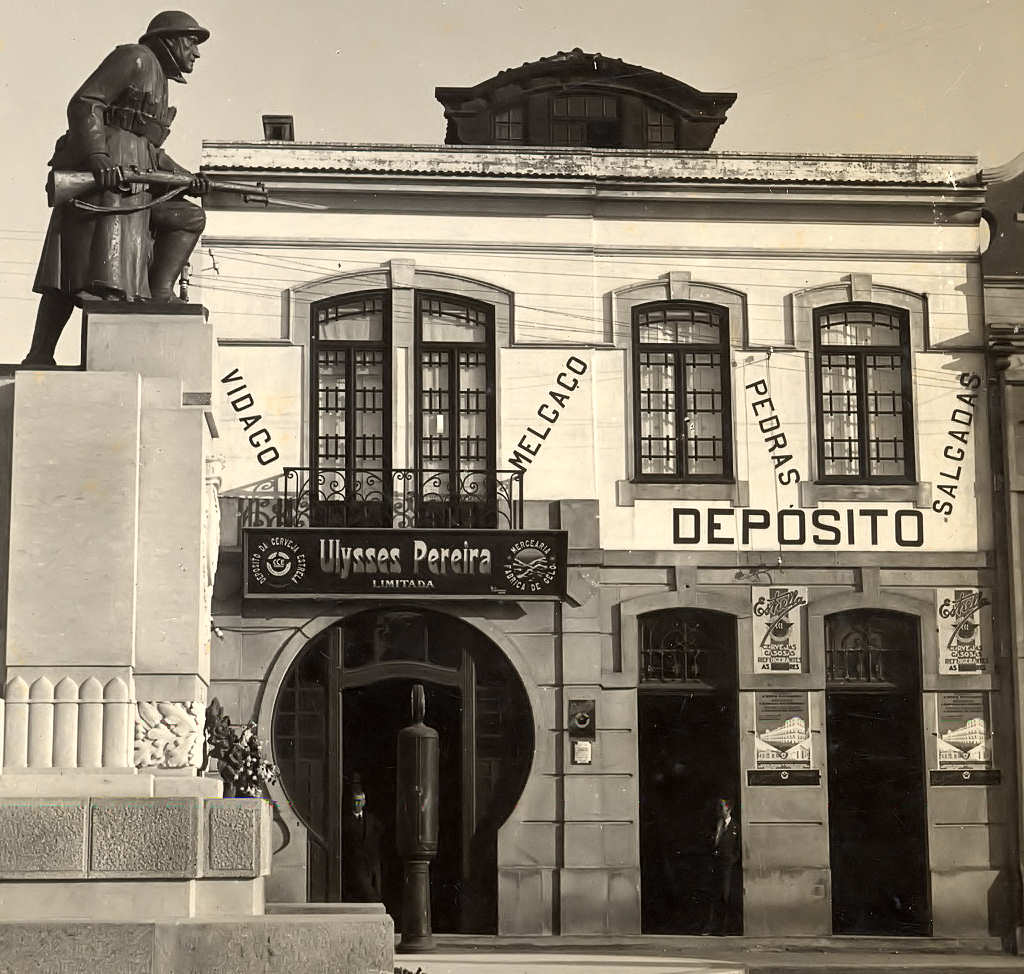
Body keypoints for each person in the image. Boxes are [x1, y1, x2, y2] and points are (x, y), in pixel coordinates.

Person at [23, 11, 212, 366]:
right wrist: (97, 155)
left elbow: (151, 149)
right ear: (170, 39)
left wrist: (187, 178)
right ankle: (40, 353)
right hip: (107, 177)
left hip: (135, 180)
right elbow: (85, 103)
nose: (196, 52)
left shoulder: (160, 79)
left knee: (188, 217)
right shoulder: (135, 58)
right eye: (191, 42)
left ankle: (159, 292)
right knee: (72, 269)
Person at [341, 778, 384, 902]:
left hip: (372, 866)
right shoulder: (345, 821)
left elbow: (380, 835)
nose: (357, 804)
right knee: (368, 896)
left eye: (359, 801)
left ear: (364, 802)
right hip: (355, 867)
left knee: (375, 895)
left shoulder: (372, 820)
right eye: (354, 801)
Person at [704, 796, 740, 935]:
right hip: (714, 865)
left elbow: (738, 848)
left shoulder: (735, 827)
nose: (718, 810)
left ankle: (724, 928)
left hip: (727, 867)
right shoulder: (715, 825)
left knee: (725, 896)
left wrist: (731, 860)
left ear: (728, 809)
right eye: (718, 807)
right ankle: (711, 926)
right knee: (713, 896)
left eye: (721, 807)